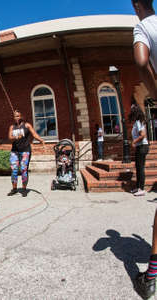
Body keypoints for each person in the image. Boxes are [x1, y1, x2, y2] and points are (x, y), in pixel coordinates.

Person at [130, 0, 157, 297]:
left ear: (137, 4)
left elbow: (140, 61)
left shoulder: (143, 26)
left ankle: (151, 277)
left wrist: (155, 91)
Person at [7, 110, 45, 197]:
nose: (16, 118)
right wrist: (17, 137)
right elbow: (10, 138)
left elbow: (34, 134)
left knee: (24, 170)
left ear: (21, 117)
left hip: (25, 150)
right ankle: (14, 189)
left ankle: (24, 189)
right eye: (15, 116)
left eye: (18, 116)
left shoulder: (27, 125)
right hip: (14, 151)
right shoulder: (12, 127)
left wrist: (41, 140)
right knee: (14, 170)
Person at [130, 104, 150, 197]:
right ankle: (138, 188)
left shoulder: (138, 121)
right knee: (138, 168)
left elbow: (142, 135)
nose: (131, 112)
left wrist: (134, 142)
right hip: (141, 146)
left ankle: (141, 189)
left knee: (140, 168)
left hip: (142, 146)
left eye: (132, 110)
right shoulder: (138, 122)